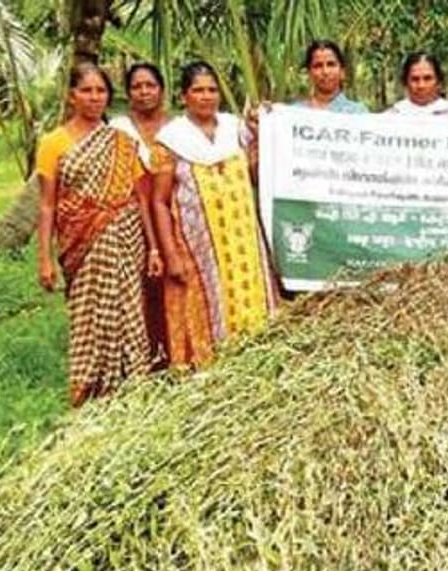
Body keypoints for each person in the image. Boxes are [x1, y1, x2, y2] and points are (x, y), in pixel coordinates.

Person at [35, 63, 162, 406]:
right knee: (89, 316)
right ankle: (90, 388)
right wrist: (45, 258)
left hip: (126, 239)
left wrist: (152, 248)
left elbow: (140, 196)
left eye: (101, 91)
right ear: (71, 95)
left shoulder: (121, 142)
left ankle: (131, 386)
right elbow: (48, 205)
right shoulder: (52, 143)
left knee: (128, 310)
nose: (94, 98)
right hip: (82, 245)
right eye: (86, 91)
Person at [152, 61, 278, 368]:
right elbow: (159, 201)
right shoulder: (170, 141)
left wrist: (267, 130)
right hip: (198, 250)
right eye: (198, 90)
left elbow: (255, 171)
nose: (206, 96)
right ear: (184, 96)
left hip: (244, 242)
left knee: (252, 302)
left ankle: (258, 360)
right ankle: (216, 368)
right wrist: (169, 254)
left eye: (211, 90)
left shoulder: (235, 130)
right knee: (211, 305)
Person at [109, 62, 173, 367]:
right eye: (137, 86)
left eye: (150, 85)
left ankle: (176, 349)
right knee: (142, 286)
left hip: (174, 216)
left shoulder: (177, 128)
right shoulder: (119, 130)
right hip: (135, 221)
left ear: (161, 90)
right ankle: (146, 355)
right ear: (128, 92)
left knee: (174, 283)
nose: (144, 92)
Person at [295, 40, 367, 113]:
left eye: (331, 64)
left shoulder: (357, 112)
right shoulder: (296, 112)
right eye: (318, 66)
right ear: (309, 73)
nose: (325, 71)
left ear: (342, 72)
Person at [386, 51, 448, 117]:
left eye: (428, 78)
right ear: (405, 82)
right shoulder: (393, 116)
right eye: (415, 79)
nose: (421, 85)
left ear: (439, 81)